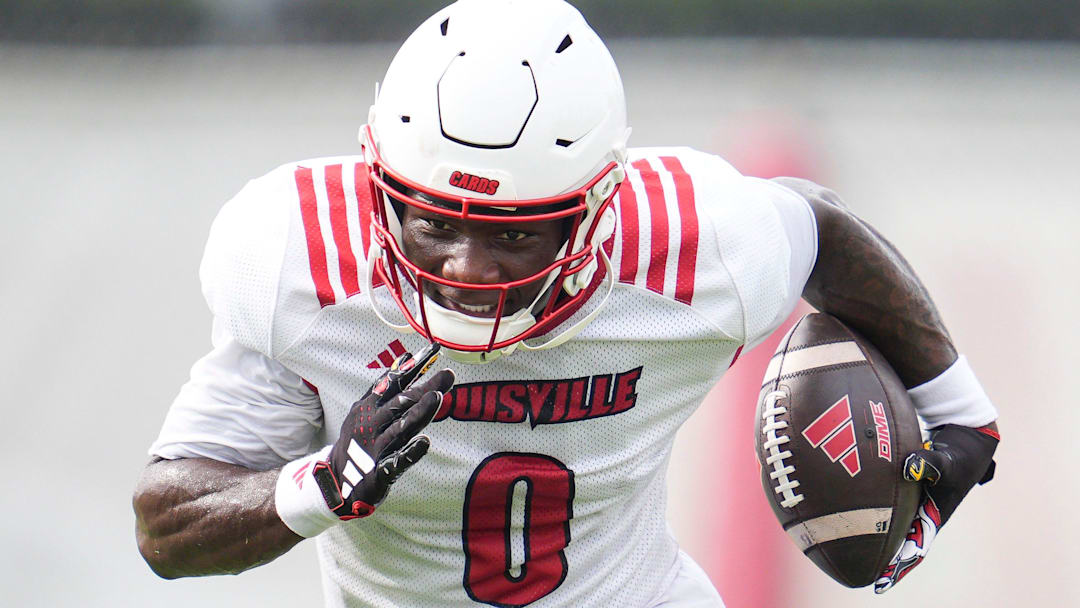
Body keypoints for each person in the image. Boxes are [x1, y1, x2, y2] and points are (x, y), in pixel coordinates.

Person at [133, 0, 1000, 606]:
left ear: (597, 207)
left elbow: (820, 228)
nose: (466, 269)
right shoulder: (299, 264)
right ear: (379, 187)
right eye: (432, 222)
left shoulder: (689, 245)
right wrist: (317, 485)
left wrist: (964, 415)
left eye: (515, 233)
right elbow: (167, 527)